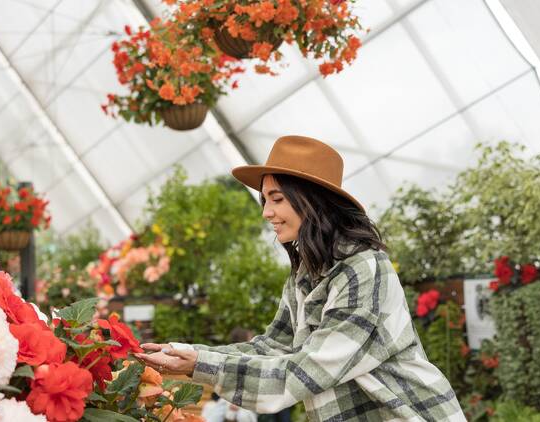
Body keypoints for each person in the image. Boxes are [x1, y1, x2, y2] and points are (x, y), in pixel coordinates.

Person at [135, 136, 466, 421]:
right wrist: (189, 355)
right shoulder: (307, 273)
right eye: (265, 199)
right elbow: (273, 346)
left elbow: (310, 370)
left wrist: (201, 364)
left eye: (277, 198)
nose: (266, 212)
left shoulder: (365, 271)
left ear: (313, 200)